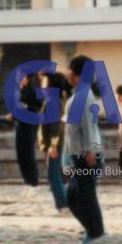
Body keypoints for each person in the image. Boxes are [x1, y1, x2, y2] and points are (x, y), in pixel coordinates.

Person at [64, 54, 105, 244]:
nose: (67, 73)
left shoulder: (83, 96)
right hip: (79, 154)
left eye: (70, 70)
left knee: (84, 195)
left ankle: (95, 232)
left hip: (87, 154)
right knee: (77, 195)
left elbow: (88, 125)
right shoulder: (79, 95)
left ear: (77, 74)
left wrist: (89, 151)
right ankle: (92, 228)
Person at [40, 72, 70, 215]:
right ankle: (64, 203)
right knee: (56, 174)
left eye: (45, 81)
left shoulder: (53, 100)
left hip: (55, 144)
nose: (42, 85)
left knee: (53, 176)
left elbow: (55, 126)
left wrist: (52, 145)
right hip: (54, 143)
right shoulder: (55, 99)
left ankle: (62, 205)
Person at [14, 72, 41, 195]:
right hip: (19, 126)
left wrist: (25, 108)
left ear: (28, 79)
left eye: (22, 77)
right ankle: (27, 181)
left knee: (29, 154)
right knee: (21, 156)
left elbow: (38, 109)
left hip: (29, 126)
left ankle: (34, 183)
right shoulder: (18, 91)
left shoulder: (33, 91)